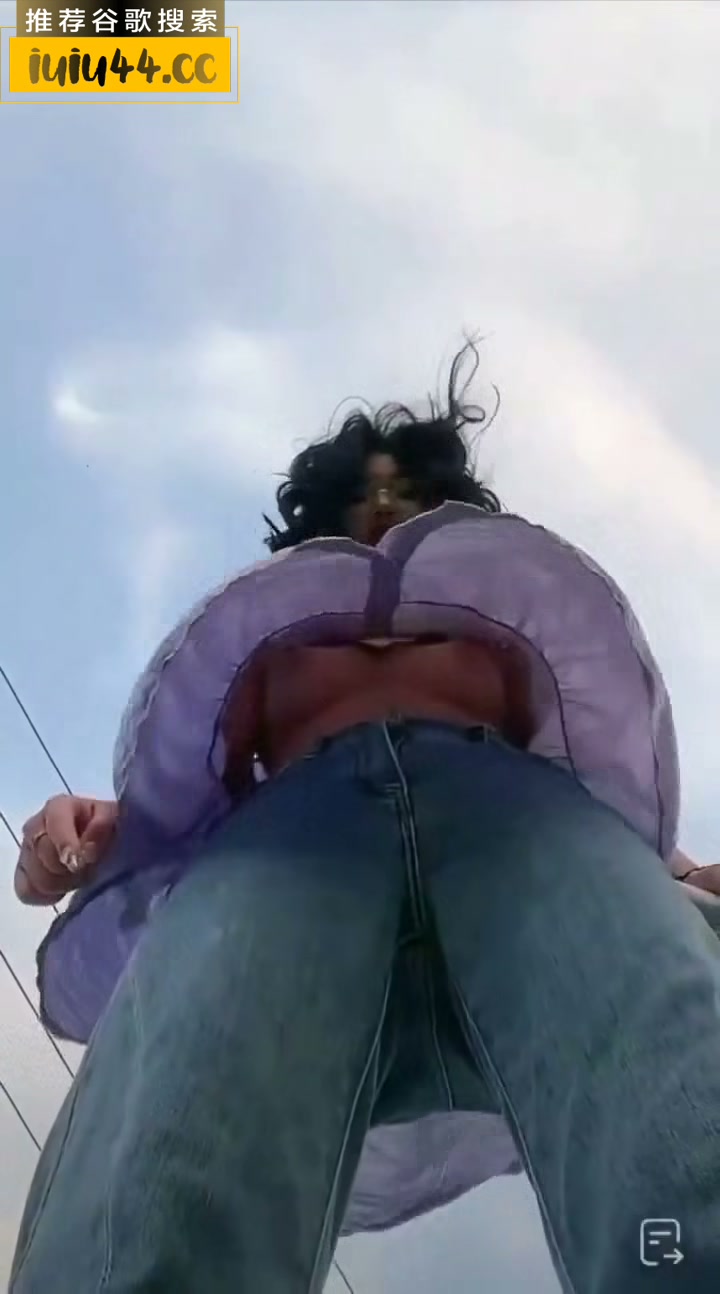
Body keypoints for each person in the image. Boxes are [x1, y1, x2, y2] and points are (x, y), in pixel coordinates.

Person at [9, 343, 720, 1294]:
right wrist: (91, 835)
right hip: (293, 850)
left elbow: (582, 805)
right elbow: (186, 806)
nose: (384, 504)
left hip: (513, 827)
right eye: (365, 491)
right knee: (169, 1156)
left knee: (684, 1088)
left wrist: (681, 878)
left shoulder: (496, 634)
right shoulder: (273, 649)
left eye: (407, 489)